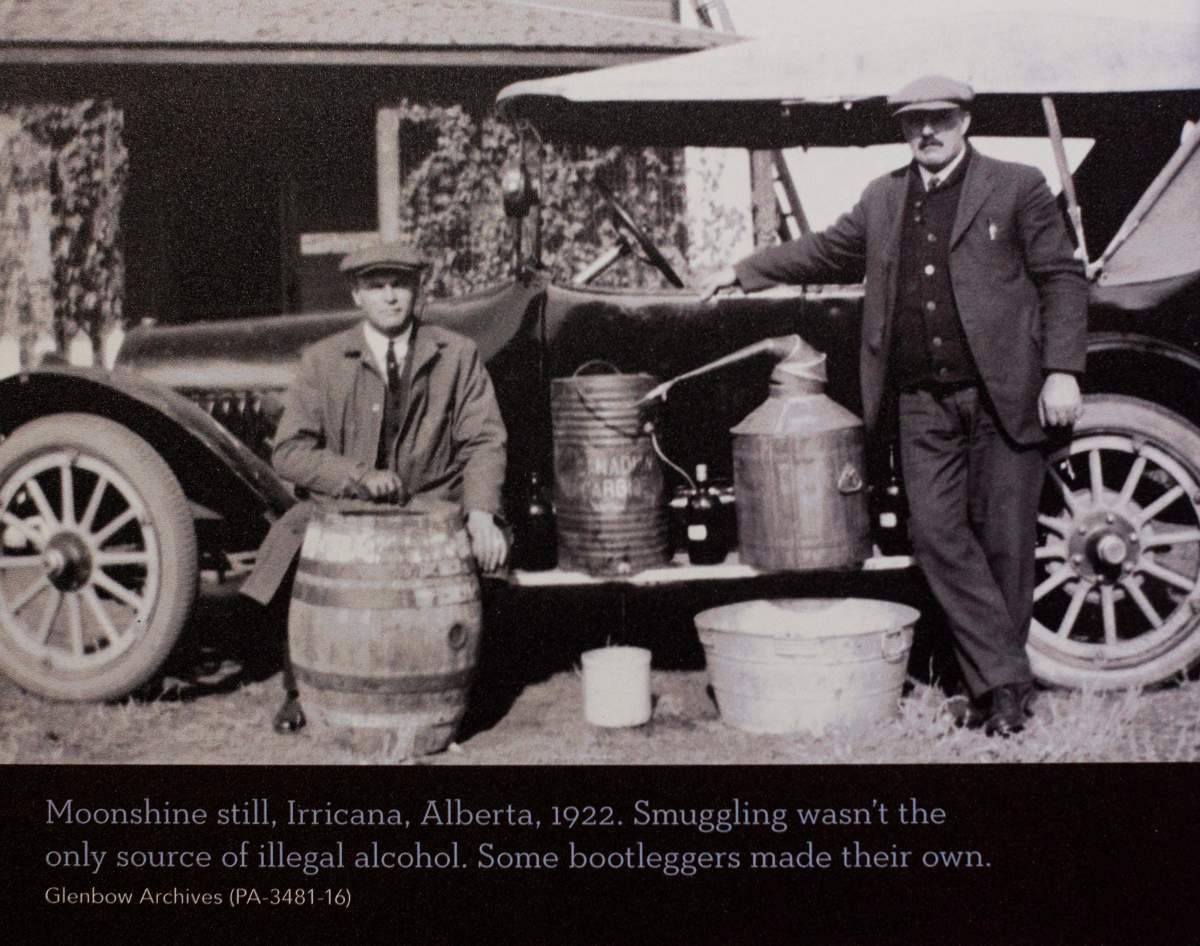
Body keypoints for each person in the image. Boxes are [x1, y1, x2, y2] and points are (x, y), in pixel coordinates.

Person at [702, 75, 1088, 736]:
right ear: (903, 130)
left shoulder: (1016, 185)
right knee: (935, 536)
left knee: (1004, 545)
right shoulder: (883, 198)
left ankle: (993, 696)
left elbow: (1062, 276)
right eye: (914, 123)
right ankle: (1006, 676)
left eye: (939, 119)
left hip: (1004, 396)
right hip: (918, 402)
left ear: (964, 120)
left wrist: (1061, 371)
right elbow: (824, 249)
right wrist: (747, 269)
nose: (927, 132)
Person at [240, 240, 508, 731]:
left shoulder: (456, 355)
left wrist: (481, 513)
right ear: (356, 296)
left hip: (431, 508)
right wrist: (357, 477)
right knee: (296, 557)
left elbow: (485, 439)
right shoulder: (323, 360)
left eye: (400, 284)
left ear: (418, 290)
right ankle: (300, 688)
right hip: (341, 512)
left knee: (477, 568)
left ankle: (449, 685)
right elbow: (289, 452)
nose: (389, 297)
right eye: (376, 286)